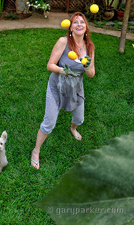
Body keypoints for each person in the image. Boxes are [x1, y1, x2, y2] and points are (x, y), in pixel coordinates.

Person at [31, 12, 95, 169]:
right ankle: (36, 151)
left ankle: (73, 129)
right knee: (49, 123)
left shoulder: (90, 48)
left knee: (79, 119)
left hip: (75, 88)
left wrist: (87, 67)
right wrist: (63, 71)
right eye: (75, 22)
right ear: (71, 28)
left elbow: (91, 74)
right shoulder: (63, 42)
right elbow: (50, 65)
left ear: (86, 27)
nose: (79, 24)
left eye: (82, 22)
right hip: (57, 86)